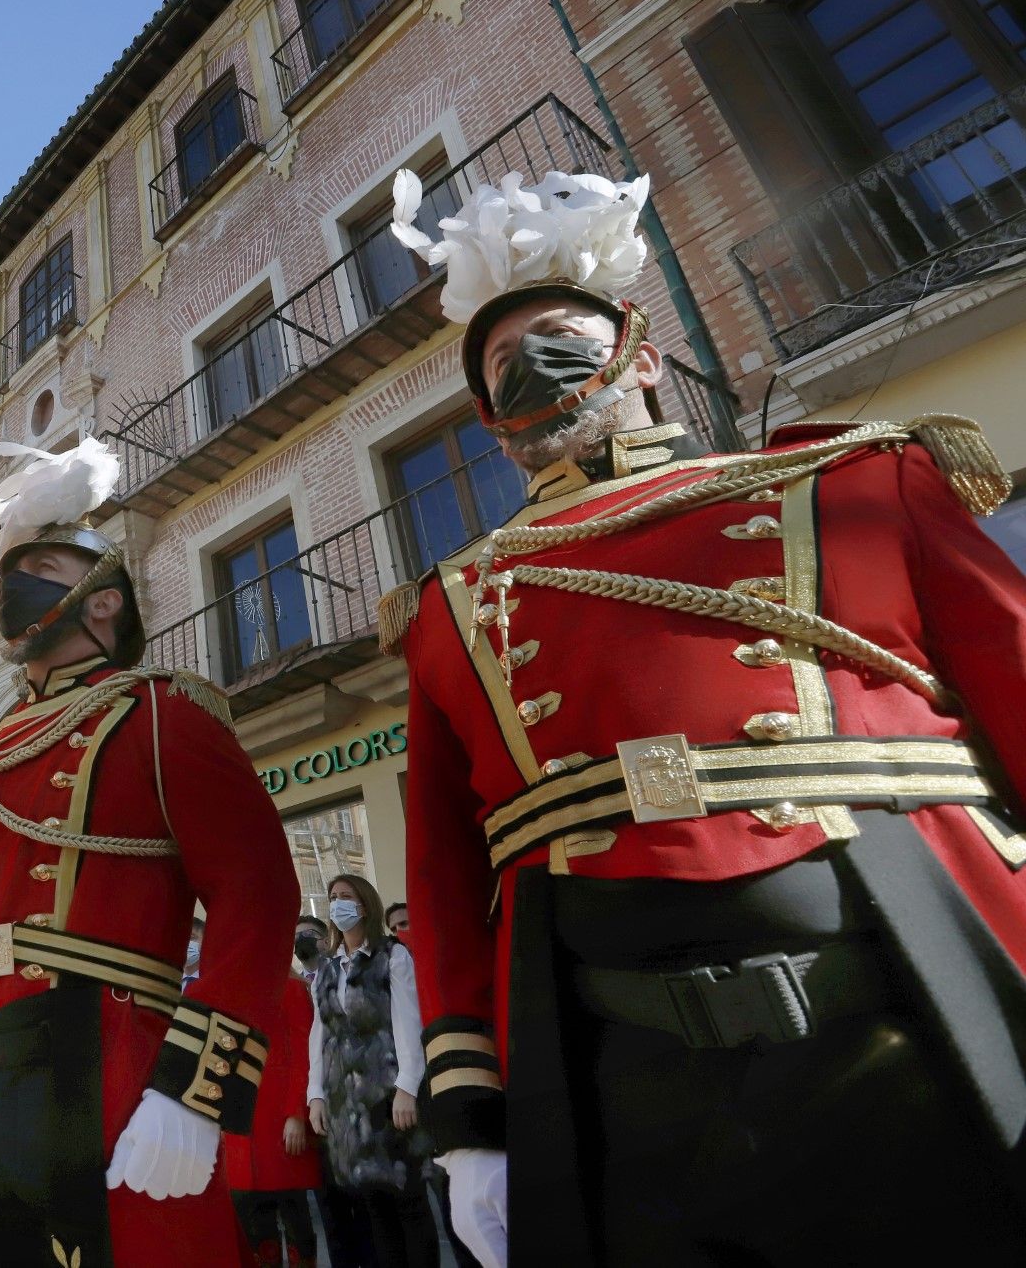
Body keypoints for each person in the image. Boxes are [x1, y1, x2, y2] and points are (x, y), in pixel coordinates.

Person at [384, 167, 1026, 1265]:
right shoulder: (449, 606)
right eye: (500, 363)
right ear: (491, 427)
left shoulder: (852, 483)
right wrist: (468, 1119)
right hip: (622, 1083)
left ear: (639, 355)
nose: (529, 362)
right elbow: (445, 874)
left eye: (558, 334)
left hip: (909, 1007)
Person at [0, 438, 300, 1267]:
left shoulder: (164, 717)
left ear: (103, 600)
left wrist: (194, 1088)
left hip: (115, 1061)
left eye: (39, 567)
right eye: (10, 574)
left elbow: (258, 895)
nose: (15, 591)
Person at [306, 875, 433, 1268]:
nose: (338, 903)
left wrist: (408, 1086)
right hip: (348, 1102)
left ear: (365, 904)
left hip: (390, 1095)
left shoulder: (392, 956)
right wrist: (316, 1094)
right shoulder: (326, 972)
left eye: (346, 896)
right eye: (332, 897)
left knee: (408, 1201)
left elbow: (408, 1023)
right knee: (373, 1205)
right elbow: (320, 1035)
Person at [223, 943, 319, 1267]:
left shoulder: (291, 989)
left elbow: (304, 1054)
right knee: (251, 1217)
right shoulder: (233, 994)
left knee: (292, 1210)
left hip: (277, 1117)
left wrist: (296, 1114)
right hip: (241, 1121)